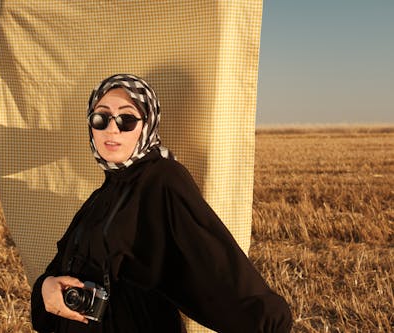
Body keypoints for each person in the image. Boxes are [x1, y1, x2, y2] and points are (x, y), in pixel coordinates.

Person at [31, 74, 292, 332]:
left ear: (147, 125)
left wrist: (269, 323)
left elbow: (214, 261)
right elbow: (62, 264)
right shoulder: (101, 195)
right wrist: (47, 287)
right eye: (100, 118)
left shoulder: (163, 178)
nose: (112, 129)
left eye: (126, 119)